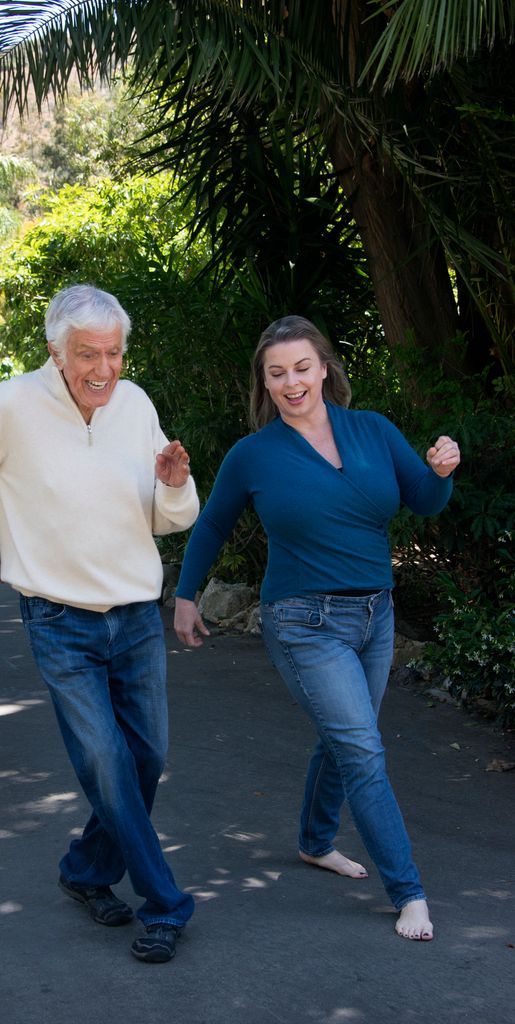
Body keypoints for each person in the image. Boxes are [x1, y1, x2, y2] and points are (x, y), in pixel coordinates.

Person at [0, 284, 198, 963]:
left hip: (134, 617)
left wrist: (171, 483)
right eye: (86, 355)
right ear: (55, 351)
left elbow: (173, 518)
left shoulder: (133, 407)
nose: (102, 369)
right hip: (58, 620)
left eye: (113, 353)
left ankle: (84, 870)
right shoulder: (13, 407)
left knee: (145, 760)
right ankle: (165, 904)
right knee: (106, 763)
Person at [174, 315, 461, 942]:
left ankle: (312, 841)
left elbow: (424, 499)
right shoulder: (255, 454)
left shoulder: (373, 430)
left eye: (302, 367)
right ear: (265, 383)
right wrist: (187, 595)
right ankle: (409, 893)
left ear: (325, 367)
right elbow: (214, 525)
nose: (291, 381)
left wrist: (441, 472)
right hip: (302, 623)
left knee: (345, 738)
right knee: (362, 750)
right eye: (276, 373)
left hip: (375, 616)